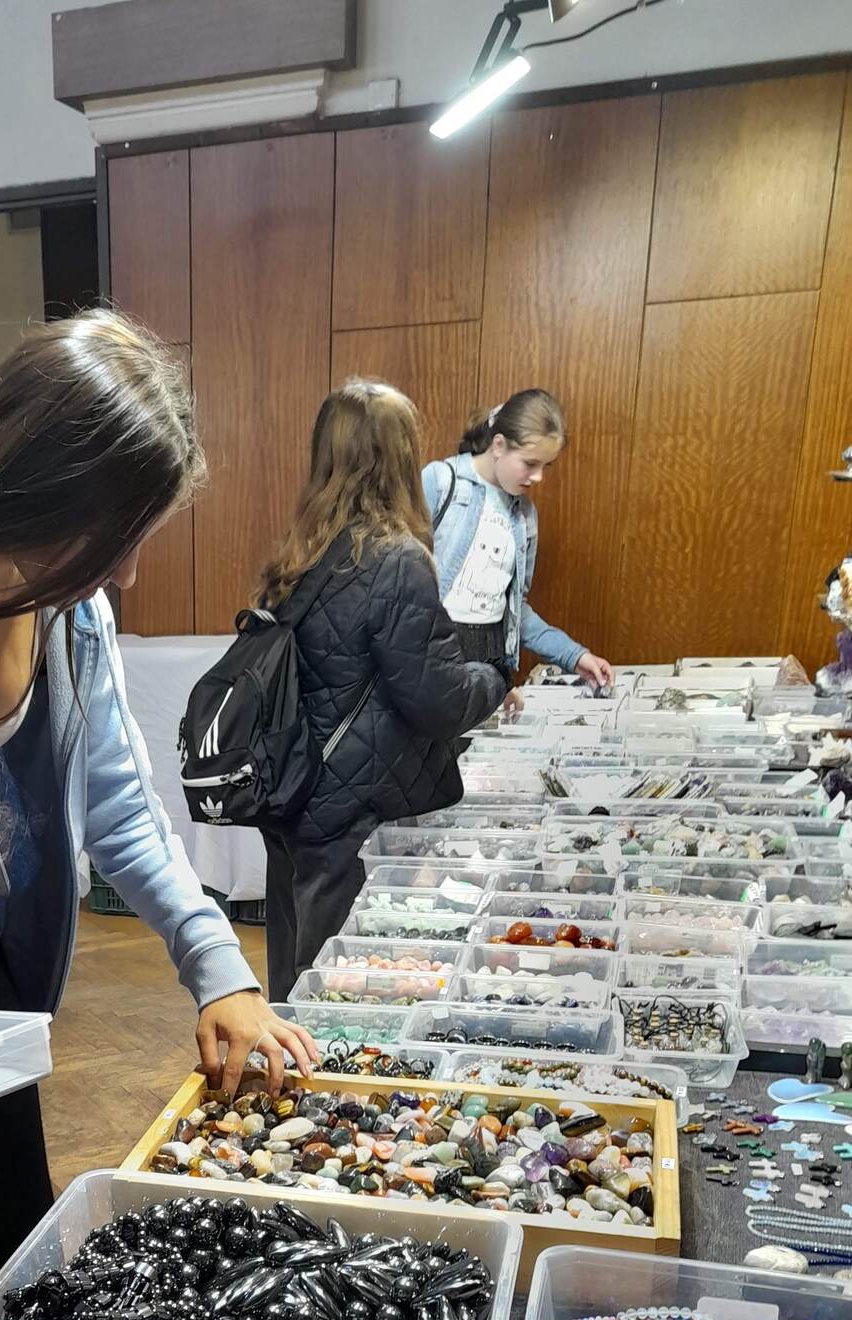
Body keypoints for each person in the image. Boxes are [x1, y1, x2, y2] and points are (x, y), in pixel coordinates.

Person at [0, 309, 316, 1320]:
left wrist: (219, 965)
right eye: (118, 540)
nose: (127, 574)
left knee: (12, 1274)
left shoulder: (72, 613)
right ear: (48, 495)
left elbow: (122, 806)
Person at [254, 380, 512, 1000]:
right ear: (400, 458)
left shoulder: (300, 552)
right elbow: (440, 700)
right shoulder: (397, 560)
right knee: (336, 992)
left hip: (293, 792)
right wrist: (496, 676)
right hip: (354, 811)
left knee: (294, 980)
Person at [423, 389, 613, 692]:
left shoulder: (524, 515)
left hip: (491, 659)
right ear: (499, 445)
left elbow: (516, 611)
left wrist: (574, 655)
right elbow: (394, 585)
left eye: (546, 466)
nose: (538, 477)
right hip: (431, 654)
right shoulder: (441, 481)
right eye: (530, 463)